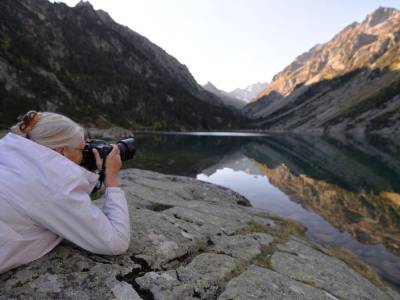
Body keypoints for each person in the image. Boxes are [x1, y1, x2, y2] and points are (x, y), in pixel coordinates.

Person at [0, 111, 131, 274]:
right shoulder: (53, 186)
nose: (85, 154)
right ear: (61, 151)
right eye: (83, 149)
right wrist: (111, 179)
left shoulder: (7, 152)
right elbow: (116, 242)